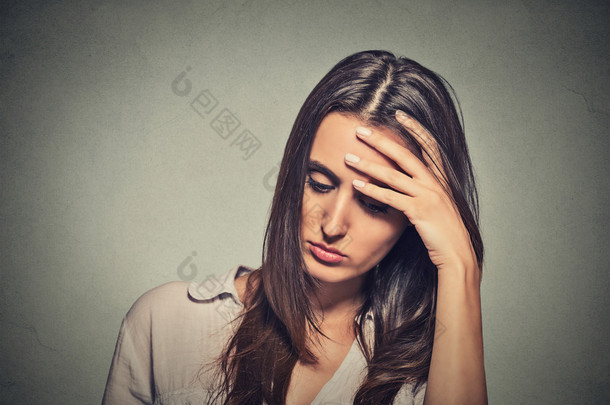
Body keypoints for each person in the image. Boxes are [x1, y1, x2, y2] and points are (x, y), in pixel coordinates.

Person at [102, 50, 487, 405]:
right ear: (291, 174)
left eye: (375, 204)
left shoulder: (437, 368)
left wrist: (459, 266)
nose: (333, 225)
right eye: (318, 183)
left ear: (411, 220)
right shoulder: (166, 323)